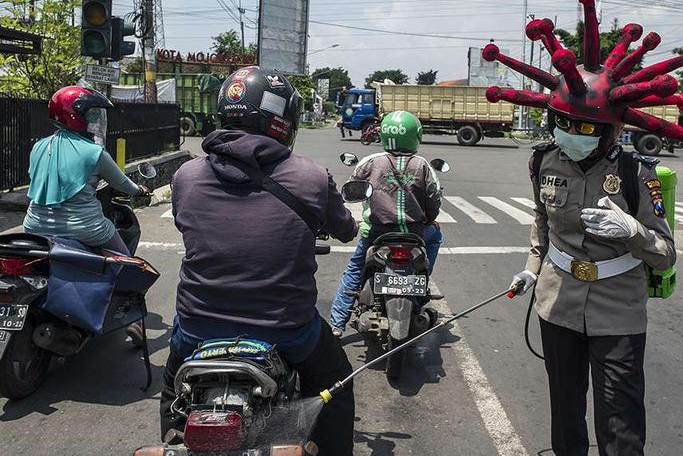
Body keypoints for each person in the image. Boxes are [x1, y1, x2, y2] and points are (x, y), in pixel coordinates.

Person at [484, 0, 683, 456]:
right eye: (563, 124)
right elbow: (541, 219)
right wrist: (531, 268)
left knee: (620, 423)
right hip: (556, 305)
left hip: (618, 311)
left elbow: (665, 253)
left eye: (585, 128)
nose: (571, 135)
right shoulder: (543, 163)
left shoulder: (637, 175)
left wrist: (633, 232)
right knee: (565, 414)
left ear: (612, 127)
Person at [161, 66, 359, 456]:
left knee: (171, 387)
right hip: (287, 330)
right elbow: (347, 230)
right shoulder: (311, 177)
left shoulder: (185, 176)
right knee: (338, 383)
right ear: (281, 120)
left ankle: (171, 439)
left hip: (198, 328)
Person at [329, 111, 443, 337]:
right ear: (415, 136)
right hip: (415, 235)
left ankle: (336, 324)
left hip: (376, 233)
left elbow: (351, 189)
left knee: (355, 270)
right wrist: (429, 219)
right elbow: (434, 198)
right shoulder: (422, 165)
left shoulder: (370, 162)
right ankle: (423, 273)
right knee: (436, 236)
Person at [23, 85, 149, 254]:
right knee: (126, 262)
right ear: (74, 115)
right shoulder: (95, 153)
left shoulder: (38, 146)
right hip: (85, 228)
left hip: (34, 226)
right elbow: (122, 183)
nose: (96, 120)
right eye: (92, 114)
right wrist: (139, 190)